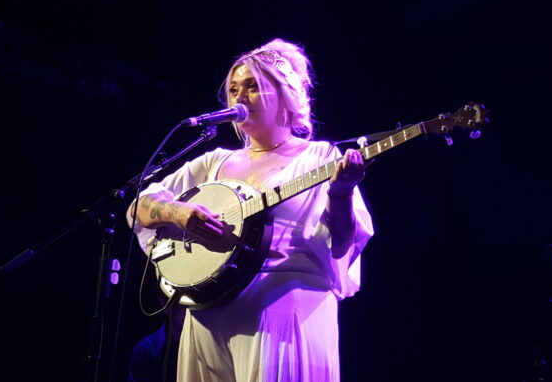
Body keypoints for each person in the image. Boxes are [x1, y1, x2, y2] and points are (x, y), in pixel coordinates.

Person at [129, 38, 374, 381]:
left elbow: (343, 245)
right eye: (232, 89)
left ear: (286, 97)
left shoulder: (319, 158)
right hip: (207, 315)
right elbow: (139, 204)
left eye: (253, 87)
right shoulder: (215, 161)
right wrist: (176, 214)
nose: (239, 96)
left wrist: (343, 193)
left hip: (285, 312)